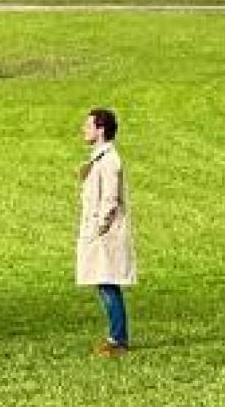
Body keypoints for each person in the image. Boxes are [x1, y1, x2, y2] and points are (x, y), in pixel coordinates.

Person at [77, 107, 136, 357]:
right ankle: (116, 337)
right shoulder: (100, 157)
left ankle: (118, 339)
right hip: (99, 231)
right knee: (104, 283)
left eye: (88, 125)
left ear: (100, 130)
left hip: (105, 233)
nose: (84, 129)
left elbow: (110, 199)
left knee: (107, 283)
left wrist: (98, 227)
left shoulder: (110, 159)